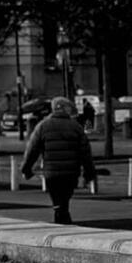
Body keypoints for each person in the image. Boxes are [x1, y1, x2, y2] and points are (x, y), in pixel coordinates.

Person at [21, 96, 95, 224]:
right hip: (71, 172)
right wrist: (89, 172)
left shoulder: (42, 126)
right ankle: (62, 217)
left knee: (57, 199)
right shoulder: (76, 127)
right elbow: (85, 152)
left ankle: (61, 218)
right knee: (64, 199)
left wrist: (26, 168)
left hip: (51, 172)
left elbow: (32, 150)